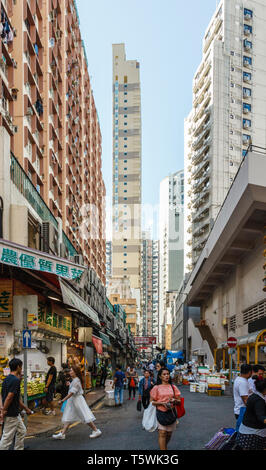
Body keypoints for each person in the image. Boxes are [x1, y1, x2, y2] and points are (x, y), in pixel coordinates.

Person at [52, 365, 101, 440]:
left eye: (71, 370)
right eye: (70, 370)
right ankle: (62, 434)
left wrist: (62, 400)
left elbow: (71, 393)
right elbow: (73, 390)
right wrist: (70, 385)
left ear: (75, 372)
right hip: (73, 401)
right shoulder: (74, 380)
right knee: (68, 416)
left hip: (77, 401)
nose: (70, 372)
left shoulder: (76, 380)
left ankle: (96, 430)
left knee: (85, 416)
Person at [0, 358, 32, 450]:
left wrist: (26, 409)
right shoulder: (15, 380)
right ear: (18, 367)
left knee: (22, 431)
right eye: (21, 367)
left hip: (15, 413)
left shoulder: (6, 379)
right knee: (7, 438)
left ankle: (18, 448)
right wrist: (4, 410)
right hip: (11, 413)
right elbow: (9, 397)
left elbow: (3, 395)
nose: (21, 369)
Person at [150, 367, 181, 450]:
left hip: (171, 412)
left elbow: (179, 401)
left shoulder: (173, 387)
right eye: (164, 374)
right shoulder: (156, 388)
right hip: (160, 412)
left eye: (167, 374)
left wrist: (174, 400)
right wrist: (162, 403)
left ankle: (163, 446)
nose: (166, 376)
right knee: (162, 433)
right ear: (160, 376)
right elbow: (152, 402)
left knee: (169, 434)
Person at [235, 378, 266, 450]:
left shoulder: (254, 395)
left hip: (246, 430)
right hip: (253, 433)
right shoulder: (259, 401)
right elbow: (261, 416)